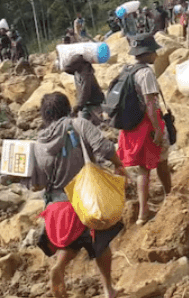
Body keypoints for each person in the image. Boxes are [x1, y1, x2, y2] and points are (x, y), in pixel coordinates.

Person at [31, 93, 125, 298]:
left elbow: (36, 183)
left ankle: (60, 265)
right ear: (67, 108)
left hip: (56, 210)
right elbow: (104, 147)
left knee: (72, 243)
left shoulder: (38, 143)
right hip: (86, 200)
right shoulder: (79, 124)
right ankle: (108, 289)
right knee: (101, 244)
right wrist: (119, 165)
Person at [118, 36, 173, 224]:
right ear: (147, 53)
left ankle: (143, 214)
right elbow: (150, 102)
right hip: (149, 125)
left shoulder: (127, 70)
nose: (156, 55)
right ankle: (171, 197)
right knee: (162, 162)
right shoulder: (146, 74)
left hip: (134, 128)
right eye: (154, 52)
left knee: (143, 168)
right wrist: (158, 129)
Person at [63, 55, 106, 125]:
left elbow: (85, 92)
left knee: (102, 123)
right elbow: (66, 69)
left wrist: (77, 107)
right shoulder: (77, 72)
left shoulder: (86, 74)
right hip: (85, 104)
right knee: (83, 124)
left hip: (94, 103)